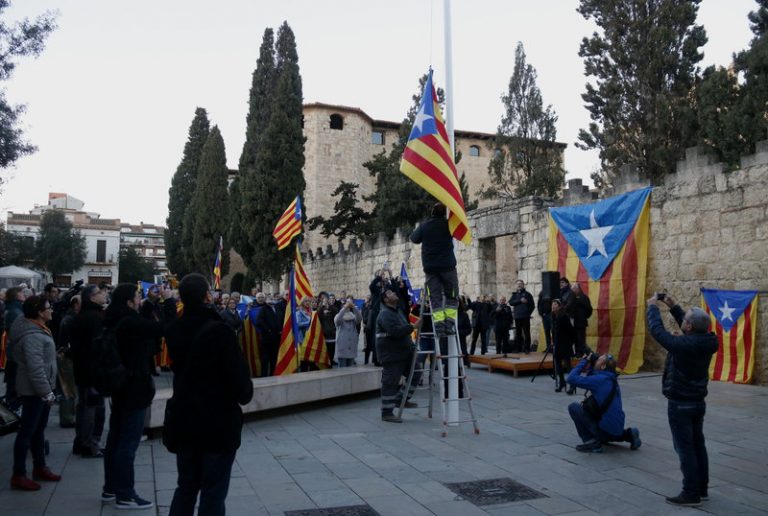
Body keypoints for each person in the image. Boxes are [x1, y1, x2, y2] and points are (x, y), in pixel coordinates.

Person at [165, 273, 254, 516]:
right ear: (207, 296)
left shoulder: (174, 329)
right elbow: (241, 387)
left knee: (185, 488)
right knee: (213, 493)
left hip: (184, 421)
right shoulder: (221, 332)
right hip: (216, 424)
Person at [647, 293, 718, 507]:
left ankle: (690, 493)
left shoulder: (685, 345)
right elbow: (689, 330)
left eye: (685, 319)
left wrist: (652, 308)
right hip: (697, 401)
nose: (683, 321)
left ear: (688, 327)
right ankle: (701, 488)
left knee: (685, 447)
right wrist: (674, 307)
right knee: (698, 445)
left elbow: (658, 333)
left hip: (680, 403)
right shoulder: (706, 341)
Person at [102, 283, 165, 509]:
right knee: (127, 443)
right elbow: (162, 328)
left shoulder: (112, 318)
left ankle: (110, 487)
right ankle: (125, 494)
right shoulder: (131, 322)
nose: (140, 300)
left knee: (115, 439)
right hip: (134, 388)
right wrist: (167, 302)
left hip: (119, 386)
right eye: (137, 297)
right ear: (129, 302)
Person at [9, 295, 61, 491]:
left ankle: (40, 467)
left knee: (38, 430)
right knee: (27, 433)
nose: (51, 310)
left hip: (40, 389)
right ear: (39, 312)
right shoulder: (32, 335)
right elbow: (35, 368)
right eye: (48, 307)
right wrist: (46, 393)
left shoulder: (37, 329)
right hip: (34, 391)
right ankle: (18, 474)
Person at [566, 353, 641, 454]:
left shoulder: (599, 380)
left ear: (603, 366)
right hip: (616, 429)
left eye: (599, 359)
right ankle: (628, 434)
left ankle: (591, 442)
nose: (596, 360)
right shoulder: (611, 379)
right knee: (606, 425)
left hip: (606, 430)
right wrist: (592, 364)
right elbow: (592, 377)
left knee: (574, 407)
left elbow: (571, 378)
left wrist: (584, 361)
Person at [410, 203, 459, 338]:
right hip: (448, 267)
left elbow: (414, 238)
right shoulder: (449, 225)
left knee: (435, 298)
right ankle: (449, 325)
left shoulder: (425, 226)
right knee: (452, 295)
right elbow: (460, 233)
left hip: (430, 268)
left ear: (431, 212)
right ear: (444, 214)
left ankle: (439, 328)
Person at [70, 284, 108, 458]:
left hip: (83, 370)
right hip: (92, 371)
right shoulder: (94, 318)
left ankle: (81, 442)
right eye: (100, 293)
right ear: (92, 298)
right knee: (92, 409)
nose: (104, 294)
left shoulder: (83, 316)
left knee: (84, 407)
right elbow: (96, 346)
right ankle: (89, 444)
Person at [376, 289, 419, 423]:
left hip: (404, 352)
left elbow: (403, 330)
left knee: (416, 372)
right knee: (390, 382)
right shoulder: (385, 314)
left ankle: (401, 400)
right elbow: (394, 332)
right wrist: (413, 327)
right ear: (385, 299)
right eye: (390, 293)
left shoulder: (397, 311)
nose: (394, 293)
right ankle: (387, 412)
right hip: (391, 354)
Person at [57, 295, 81, 428]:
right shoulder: (70, 320)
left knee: (69, 387)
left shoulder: (70, 318)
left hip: (66, 356)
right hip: (67, 357)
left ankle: (68, 416)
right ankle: (67, 418)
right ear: (76, 304)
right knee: (68, 387)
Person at [3, 286, 26, 408]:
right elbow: (19, 332)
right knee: (14, 384)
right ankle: (12, 409)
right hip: (16, 352)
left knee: (12, 381)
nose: (24, 294)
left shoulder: (11, 308)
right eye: (21, 292)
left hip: (11, 350)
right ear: (16, 295)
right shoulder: (16, 311)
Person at [551, 299, 575, 393]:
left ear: (559, 306)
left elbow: (571, 330)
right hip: (557, 344)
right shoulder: (553, 316)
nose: (553, 306)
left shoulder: (563, 316)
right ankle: (562, 383)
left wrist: (570, 342)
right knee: (558, 365)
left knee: (568, 365)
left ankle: (572, 385)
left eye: (555, 304)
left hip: (565, 344)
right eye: (552, 304)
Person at [253, 292, 280, 376]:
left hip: (276, 338)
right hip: (267, 339)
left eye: (272, 299)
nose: (271, 300)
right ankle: (264, 376)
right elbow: (259, 322)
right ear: (266, 300)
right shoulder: (264, 309)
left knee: (274, 359)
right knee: (265, 359)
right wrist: (268, 330)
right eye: (269, 299)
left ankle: (273, 374)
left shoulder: (276, 308)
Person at [334, 297, 362, 367]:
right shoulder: (338, 316)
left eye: (348, 306)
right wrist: (344, 309)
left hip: (352, 346)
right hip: (342, 346)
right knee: (342, 369)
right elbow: (338, 321)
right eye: (344, 305)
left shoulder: (353, 316)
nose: (347, 307)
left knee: (351, 369)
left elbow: (359, 318)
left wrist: (354, 308)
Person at [566, 282, 592, 356]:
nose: (572, 291)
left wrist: (583, 317)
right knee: (575, 340)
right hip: (574, 322)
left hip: (580, 322)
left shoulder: (584, 297)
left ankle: (583, 353)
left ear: (577, 289)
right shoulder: (572, 298)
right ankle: (577, 352)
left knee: (581, 340)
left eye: (573, 289)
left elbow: (589, 310)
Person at [509, 280, 535, 353]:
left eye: (520, 284)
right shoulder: (515, 294)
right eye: (517, 284)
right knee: (518, 333)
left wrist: (528, 313)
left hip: (525, 317)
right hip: (517, 317)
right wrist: (520, 301)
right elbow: (511, 302)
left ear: (523, 285)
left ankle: (527, 348)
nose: (519, 285)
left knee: (527, 333)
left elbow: (532, 305)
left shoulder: (528, 294)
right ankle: (518, 348)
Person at [537, 288, 553, 353]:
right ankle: (548, 347)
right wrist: (541, 313)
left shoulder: (552, 293)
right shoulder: (541, 294)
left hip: (551, 315)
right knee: (547, 332)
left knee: (553, 331)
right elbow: (539, 305)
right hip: (544, 316)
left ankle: (554, 347)